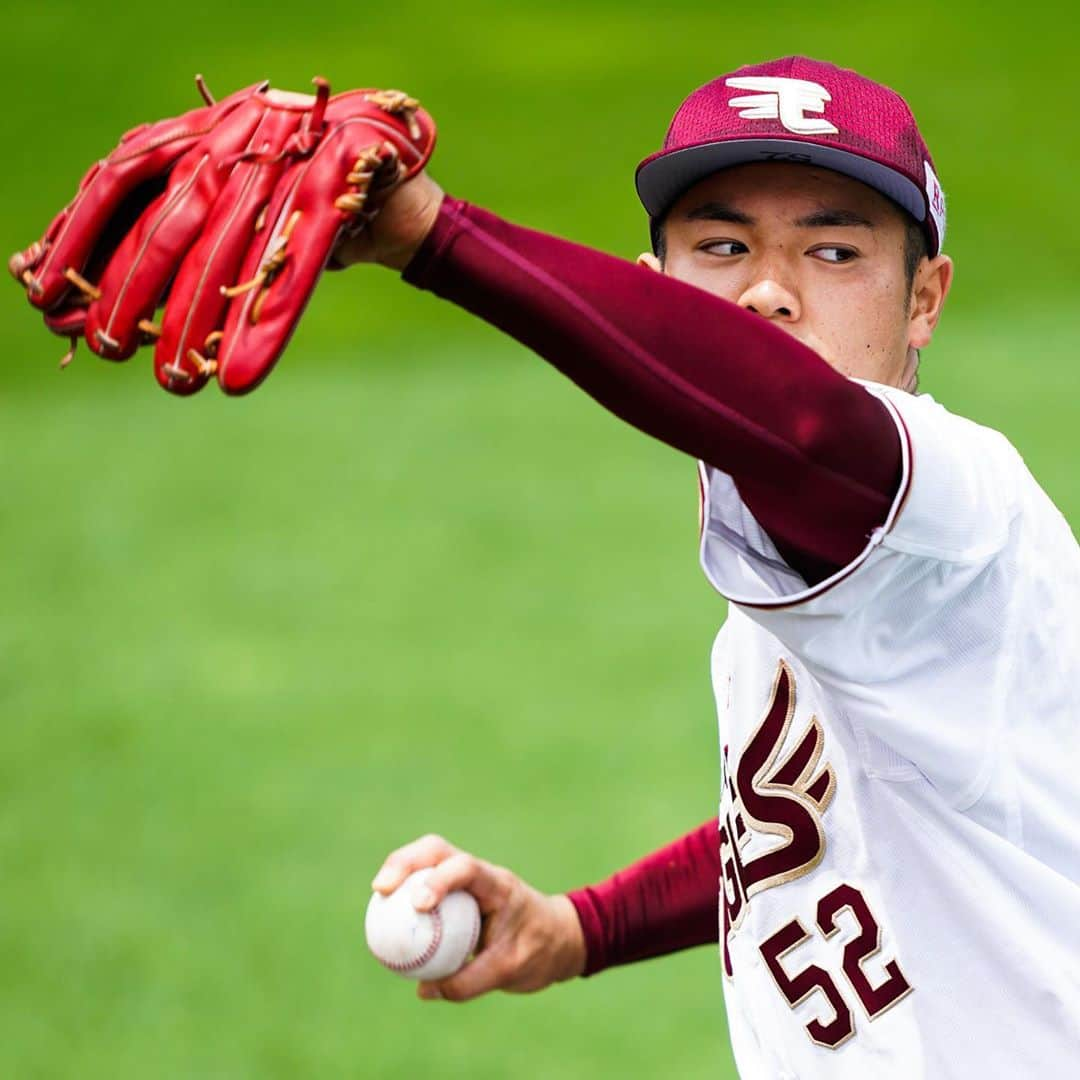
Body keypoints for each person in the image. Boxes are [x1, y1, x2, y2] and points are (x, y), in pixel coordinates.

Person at [349, 56, 1080, 1077]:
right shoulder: (804, 581)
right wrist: (582, 927)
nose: (771, 292)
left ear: (925, 300)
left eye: (832, 250)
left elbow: (805, 425)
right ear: (657, 296)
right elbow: (813, 823)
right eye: (722, 247)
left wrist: (439, 239)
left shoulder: (951, 512)